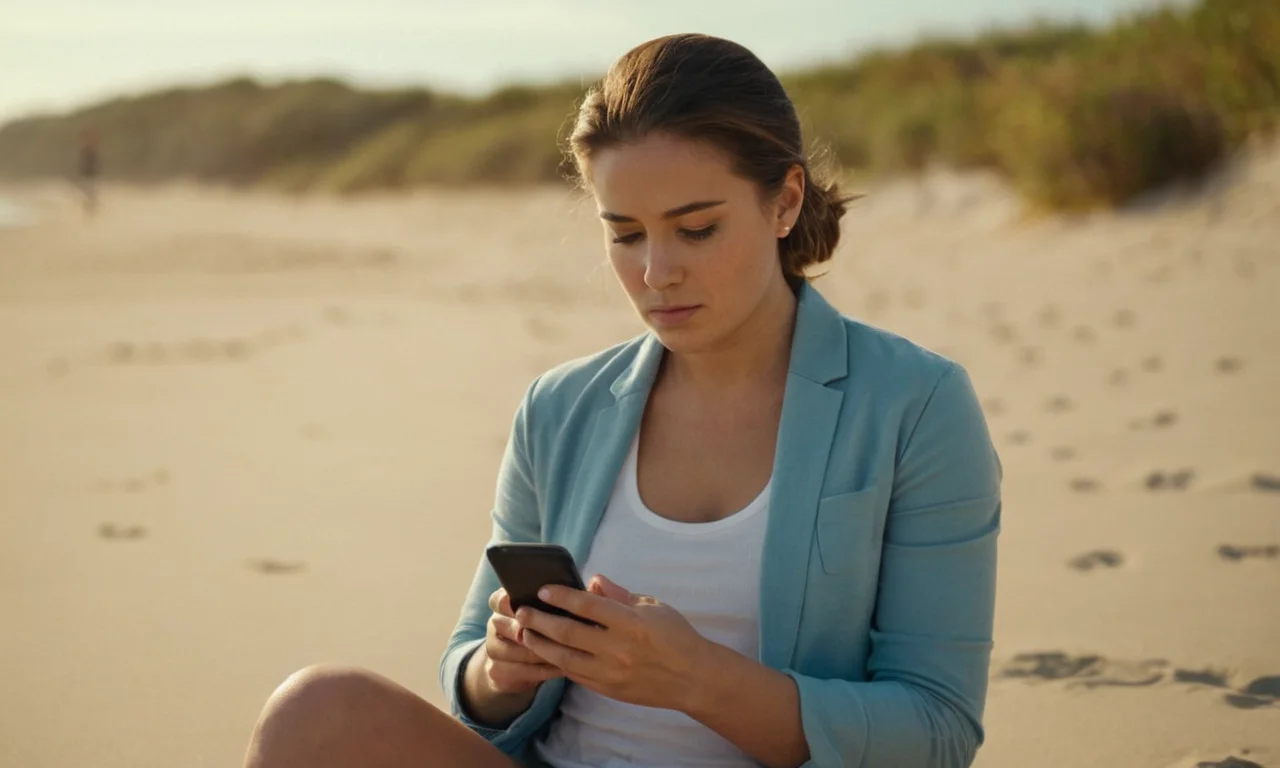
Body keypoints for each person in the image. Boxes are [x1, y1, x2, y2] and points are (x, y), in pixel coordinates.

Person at [241, 33, 1001, 768]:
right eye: (626, 235)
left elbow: (935, 734)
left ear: (785, 202)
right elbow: (470, 672)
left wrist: (697, 679)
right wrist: (502, 669)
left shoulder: (915, 406)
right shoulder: (561, 407)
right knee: (314, 712)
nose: (656, 271)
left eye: (696, 229)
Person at [77, 127, 101, 217]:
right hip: (87, 175)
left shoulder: (90, 151)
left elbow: (95, 163)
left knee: (90, 192)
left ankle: (91, 208)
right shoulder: (86, 150)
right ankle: (91, 208)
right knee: (89, 193)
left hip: (91, 175)